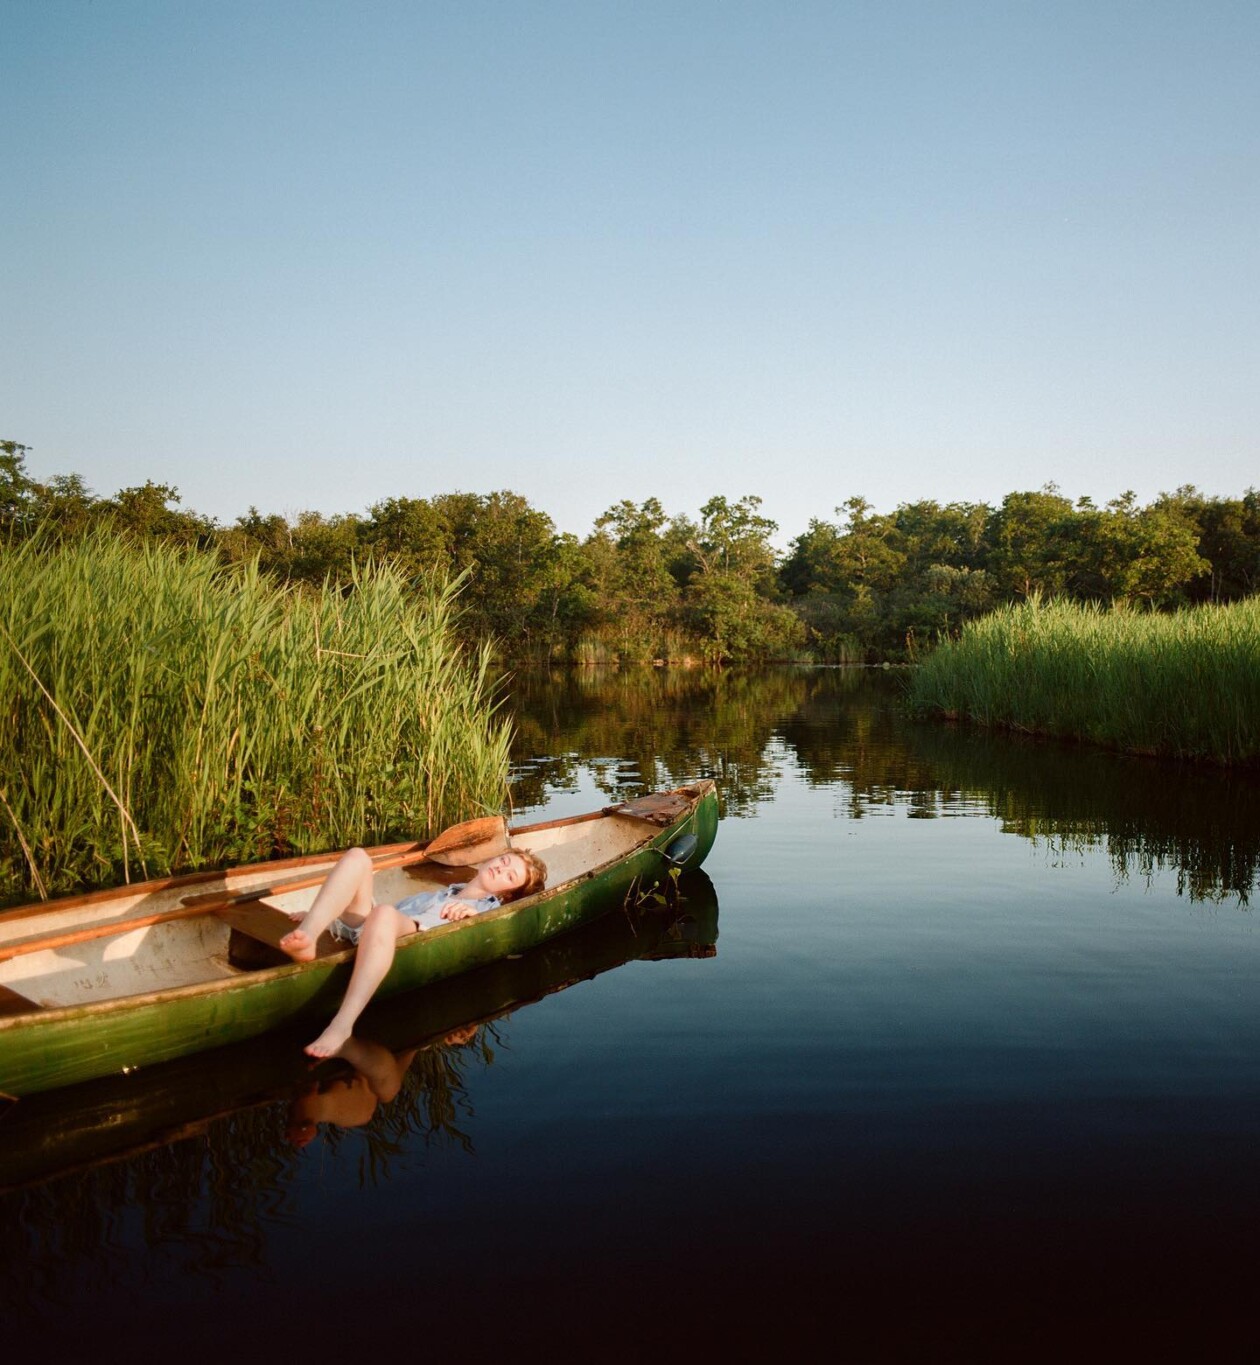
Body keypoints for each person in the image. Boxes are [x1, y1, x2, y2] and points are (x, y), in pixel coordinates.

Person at [279, 845, 547, 1058]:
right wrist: (325, 914)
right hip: (376, 929)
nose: (501, 868)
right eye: (504, 861)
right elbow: (387, 916)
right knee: (358, 857)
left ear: (507, 895)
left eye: (510, 876)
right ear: (491, 859)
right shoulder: (438, 895)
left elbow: (493, 928)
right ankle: (309, 934)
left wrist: (472, 916)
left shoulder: (487, 909)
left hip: (411, 936)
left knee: (384, 913)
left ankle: (342, 1025)